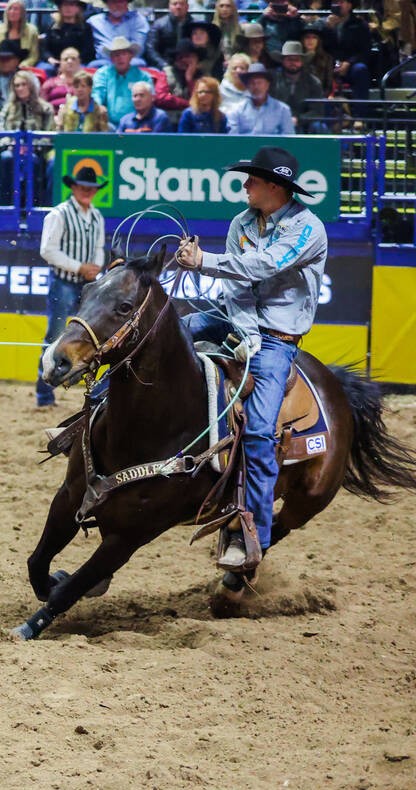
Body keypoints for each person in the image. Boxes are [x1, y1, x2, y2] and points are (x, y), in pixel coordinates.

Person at [174, 146, 327, 570]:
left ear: (275, 186)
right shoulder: (241, 222)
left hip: (279, 339)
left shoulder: (306, 229)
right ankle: (97, 406)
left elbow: (262, 265)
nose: (245, 186)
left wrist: (203, 262)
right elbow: (237, 287)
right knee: (169, 333)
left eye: (253, 180)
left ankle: (251, 530)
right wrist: (242, 332)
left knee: (259, 433)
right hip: (238, 321)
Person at [36, 165, 105, 408]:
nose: (87, 191)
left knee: (95, 337)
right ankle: (44, 395)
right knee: (54, 336)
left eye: (91, 188)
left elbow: (98, 248)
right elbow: (47, 250)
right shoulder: (59, 214)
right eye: (83, 187)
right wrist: (80, 267)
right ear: (74, 188)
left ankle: (92, 393)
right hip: (64, 282)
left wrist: (94, 267)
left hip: (87, 285)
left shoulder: (97, 216)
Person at [91, 35, 153, 122]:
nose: (120, 58)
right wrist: (98, 106)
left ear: (131, 56)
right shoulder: (102, 74)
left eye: (124, 54)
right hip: (108, 123)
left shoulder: (143, 76)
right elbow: (96, 94)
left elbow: (150, 99)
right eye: (116, 55)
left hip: (137, 123)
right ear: (111, 58)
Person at [272, 39, 327, 131]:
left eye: (296, 60)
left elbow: (317, 111)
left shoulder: (313, 82)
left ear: (302, 61)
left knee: (319, 126)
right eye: (289, 59)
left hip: (305, 123)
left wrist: (298, 119)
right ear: (283, 61)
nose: (293, 63)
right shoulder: (272, 80)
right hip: (277, 121)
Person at [227, 61, 294, 133]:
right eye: (252, 83)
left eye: (259, 82)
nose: (256, 86)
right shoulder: (237, 111)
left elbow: (288, 139)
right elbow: (233, 139)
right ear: (247, 87)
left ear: (267, 85)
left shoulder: (283, 110)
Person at [324, 0, 372, 99]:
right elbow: (323, 47)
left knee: (360, 69)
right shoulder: (324, 24)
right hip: (328, 64)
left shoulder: (359, 24)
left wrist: (349, 63)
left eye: (341, 2)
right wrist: (329, 29)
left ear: (349, 5)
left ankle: (360, 111)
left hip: (351, 65)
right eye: (335, 2)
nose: (337, 5)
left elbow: (365, 51)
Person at [88, 0, 149, 68]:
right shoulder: (94, 21)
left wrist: (122, 59)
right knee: (93, 65)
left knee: (139, 63)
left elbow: (138, 47)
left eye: (121, 1)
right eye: (113, 1)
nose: (118, 5)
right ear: (107, 3)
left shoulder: (139, 19)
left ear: (127, 2)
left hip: (131, 62)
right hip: (103, 63)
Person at [42, 0, 96, 71]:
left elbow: (88, 51)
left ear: (78, 8)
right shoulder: (52, 26)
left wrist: (71, 60)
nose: (68, 8)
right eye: (65, 4)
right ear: (60, 7)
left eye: (72, 4)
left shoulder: (85, 28)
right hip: (55, 62)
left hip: (78, 62)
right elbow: (45, 49)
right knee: (45, 69)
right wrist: (51, 59)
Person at [0, 0, 38, 67]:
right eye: (10, 9)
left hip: (23, 68)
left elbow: (33, 55)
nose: (12, 12)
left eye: (16, 9)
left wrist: (22, 66)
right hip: (1, 67)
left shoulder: (32, 30)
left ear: (22, 13)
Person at [146, 0, 192, 69]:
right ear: (169, 6)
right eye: (175, 4)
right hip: (164, 64)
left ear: (187, 7)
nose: (178, 7)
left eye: (182, 4)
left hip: (190, 64)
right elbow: (150, 49)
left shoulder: (195, 26)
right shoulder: (158, 25)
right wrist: (164, 65)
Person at [0, 39, 28, 106]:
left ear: (17, 60)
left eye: (8, 58)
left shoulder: (27, 78)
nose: (4, 62)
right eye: (1, 58)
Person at [301, 23, 334, 93]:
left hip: (320, 95)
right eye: (307, 37)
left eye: (314, 37)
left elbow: (329, 83)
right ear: (302, 40)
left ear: (318, 41)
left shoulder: (327, 58)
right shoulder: (297, 58)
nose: (310, 40)